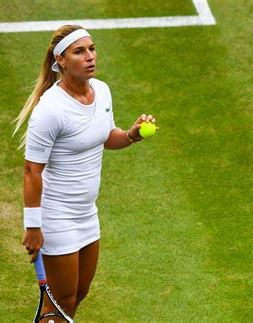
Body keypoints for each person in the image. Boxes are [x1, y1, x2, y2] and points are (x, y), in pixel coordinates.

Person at [13, 24, 156, 318]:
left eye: (92, 49)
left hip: (87, 213)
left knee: (78, 294)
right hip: (56, 217)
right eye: (80, 51)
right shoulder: (50, 109)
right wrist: (33, 226)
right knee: (61, 301)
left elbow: (106, 136)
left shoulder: (101, 91)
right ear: (61, 60)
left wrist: (131, 135)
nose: (90, 56)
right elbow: (31, 171)